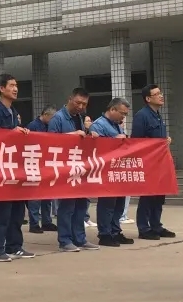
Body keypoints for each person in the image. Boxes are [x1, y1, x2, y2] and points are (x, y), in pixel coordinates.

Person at [0, 74, 36, 262]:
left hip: (14, 169)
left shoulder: (13, 111)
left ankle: (14, 246)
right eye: (11, 85)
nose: (15, 89)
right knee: (1, 212)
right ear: (1, 88)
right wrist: (10, 133)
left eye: (16, 85)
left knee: (16, 212)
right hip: (1, 170)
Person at [49, 88, 100, 253]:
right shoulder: (58, 118)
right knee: (67, 206)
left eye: (84, 104)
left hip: (79, 167)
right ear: (70, 99)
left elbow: (80, 139)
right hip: (65, 168)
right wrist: (72, 134)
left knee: (81, 205)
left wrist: (89, 134)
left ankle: (80, 238)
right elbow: (50, 141)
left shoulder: (79, 117)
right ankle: (65, 240)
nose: (81, 106)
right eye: (78, 102)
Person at [132, 85, 175, 240]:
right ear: (148, 98)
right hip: (149, 162)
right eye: (157, 94)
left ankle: (156, 226)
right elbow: (136, 141)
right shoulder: (142, 116)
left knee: (159, 195)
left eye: (160, 93)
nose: (161, 96)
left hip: (160, 162)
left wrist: (165, 140)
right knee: (148, 195)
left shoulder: (157, 115)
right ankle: (144, 228)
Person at [90, 98, 134, 247]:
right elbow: (96, 148)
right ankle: (105, 234)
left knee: (119, 203)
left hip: (118, 169)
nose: (124, 117)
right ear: (112, 109)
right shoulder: (98, 125)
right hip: (106, 170)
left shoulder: (117, 125)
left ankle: (115, 231)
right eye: (122, 113)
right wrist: (114, 140)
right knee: (107, 204)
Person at [26, 107, 58, 234]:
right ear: (45, 115)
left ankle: (46, 222)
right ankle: (34, 223)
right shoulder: (33, 126)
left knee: (47, 195)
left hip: (47, 163)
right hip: (35, 163)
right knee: (35, 196)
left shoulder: (49, 126)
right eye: (52, 118)